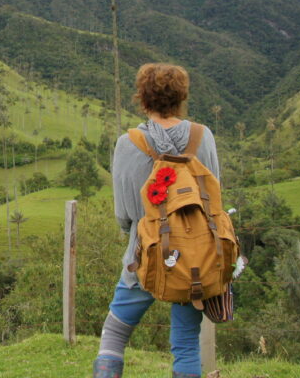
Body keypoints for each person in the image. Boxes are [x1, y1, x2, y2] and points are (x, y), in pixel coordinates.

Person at [93, 63, 220, 378]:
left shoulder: (128, 143)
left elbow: (124, 213)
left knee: (115, 332)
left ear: (143, 98)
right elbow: (214, 197)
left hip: (144, 253)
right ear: (181, 97)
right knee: (187, 342)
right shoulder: (202, 137)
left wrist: (136, 231)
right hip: (194, 259)